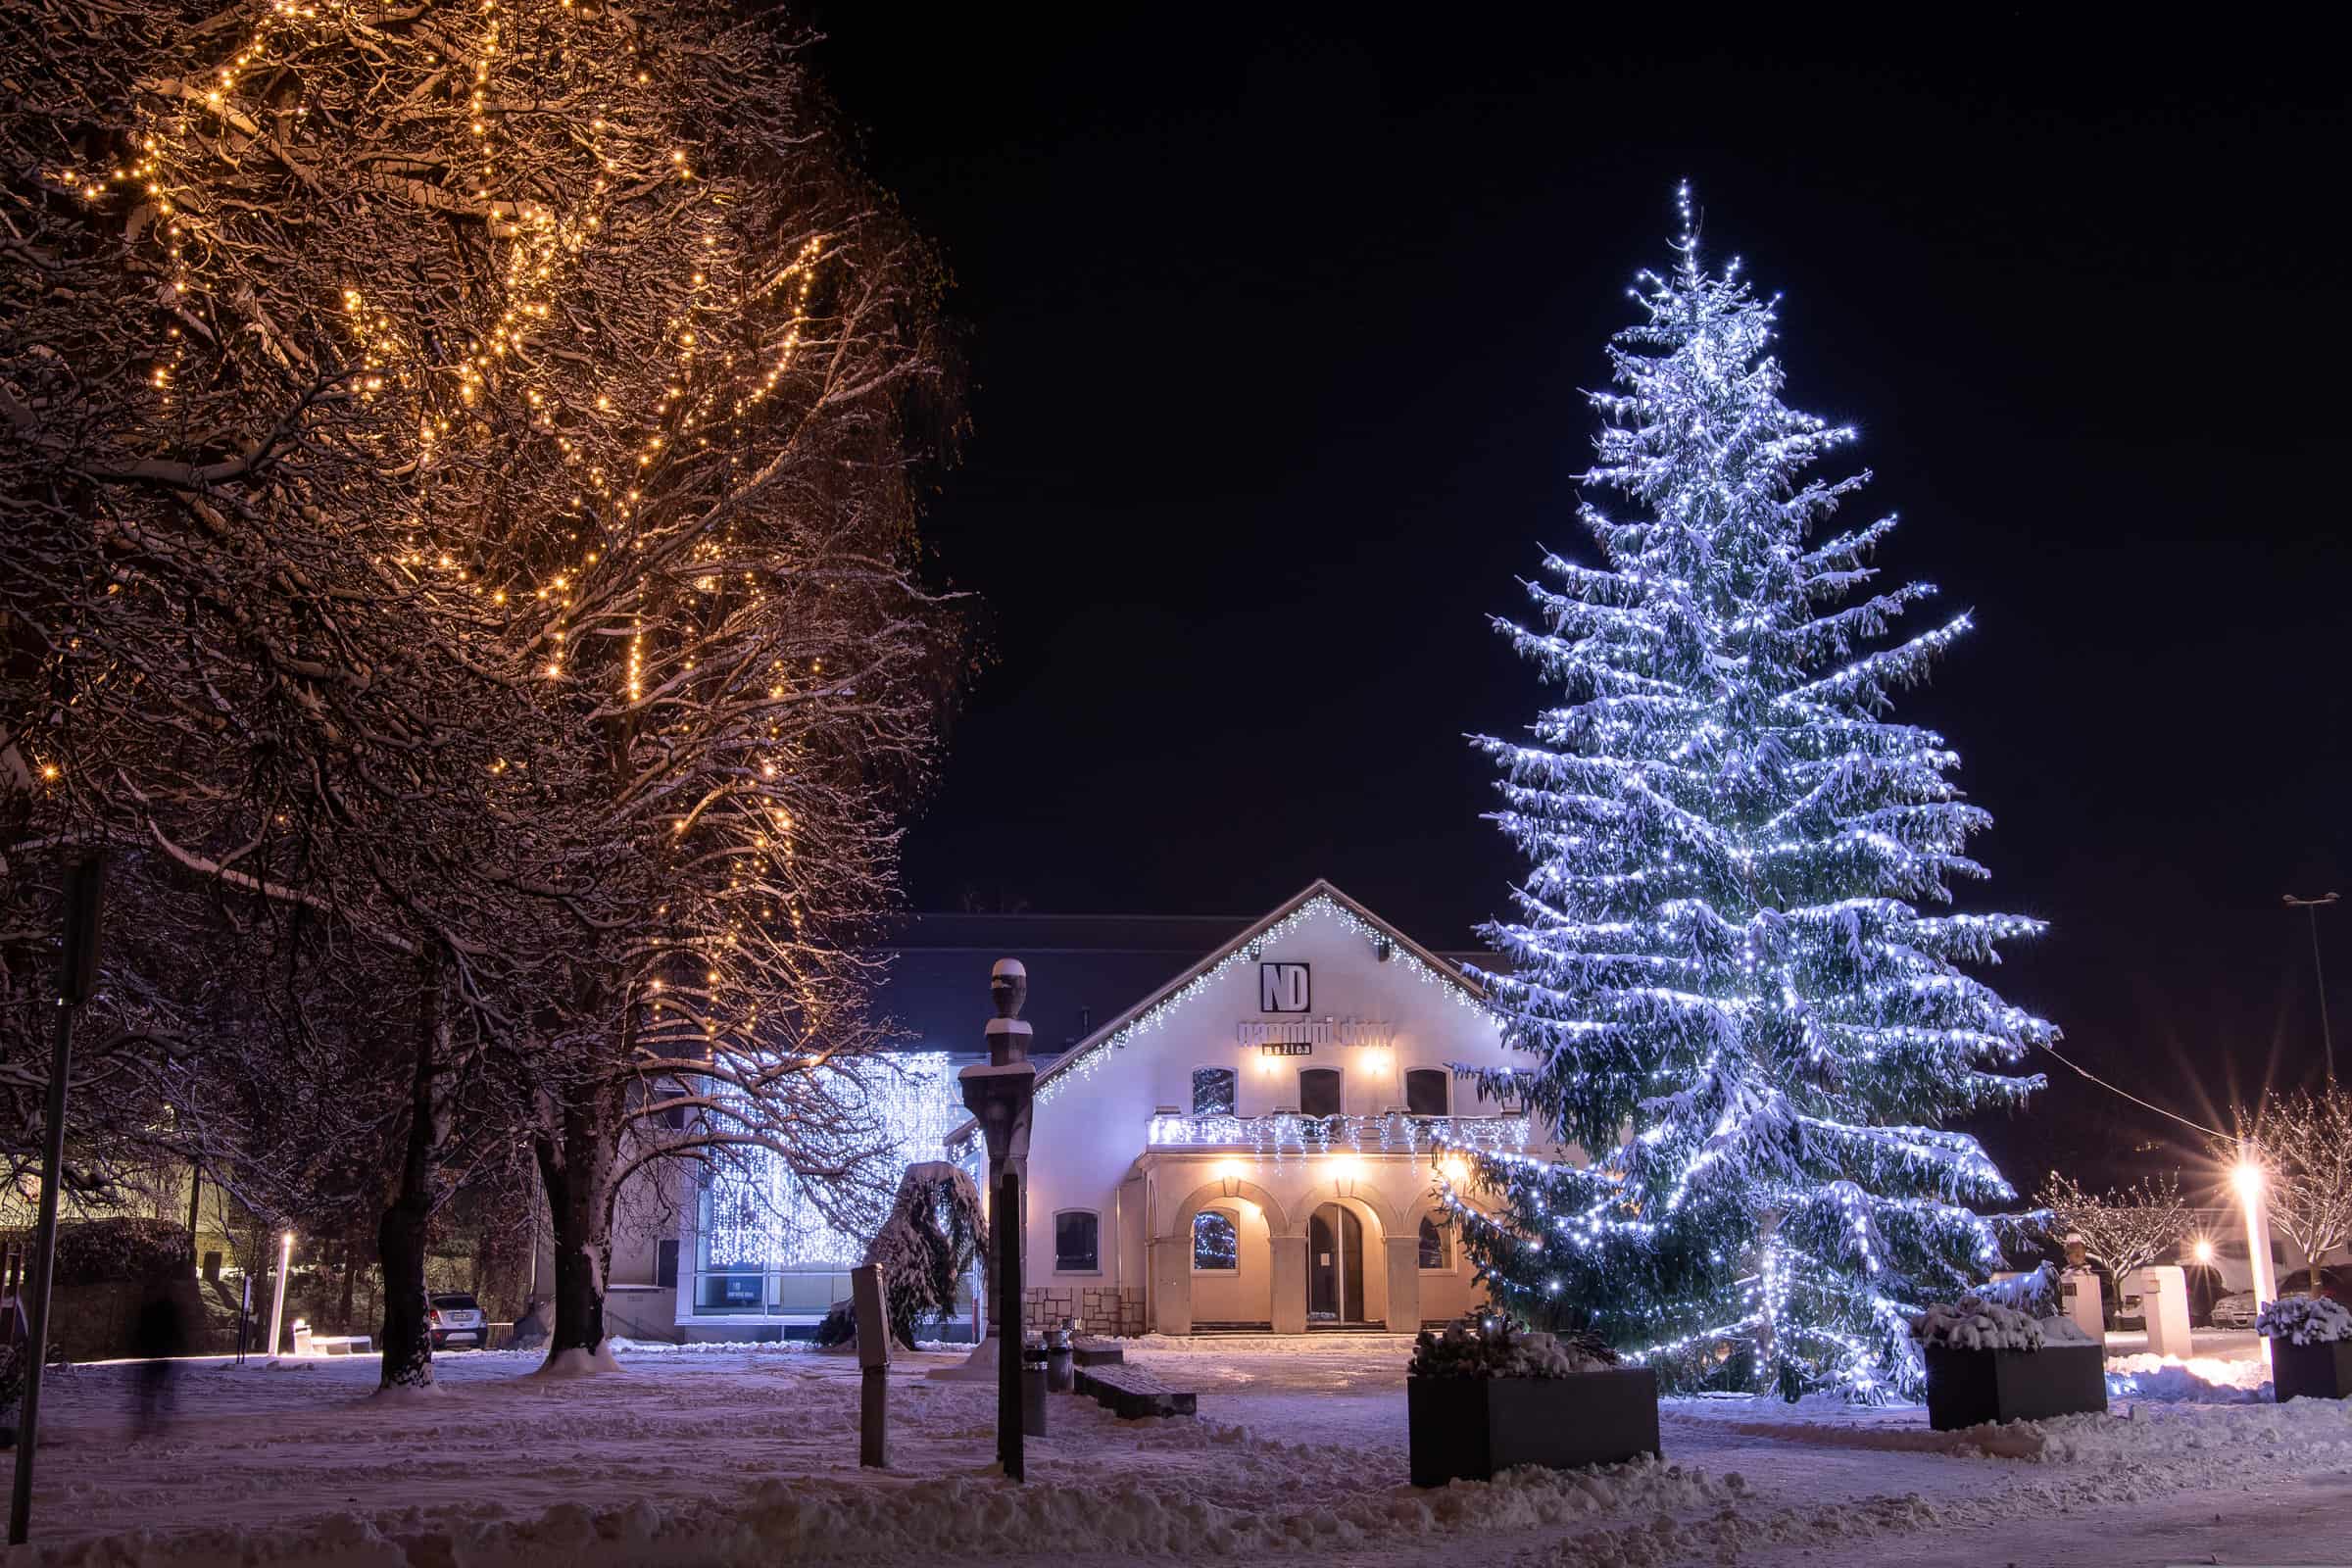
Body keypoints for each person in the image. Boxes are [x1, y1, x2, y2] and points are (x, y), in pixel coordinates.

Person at [129, 1282, 188, 1440]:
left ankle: (147, 1425)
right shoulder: (168, 1309)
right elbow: (177, 1333)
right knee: (161, 1391)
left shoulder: (149, 1309)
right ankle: (160, 1425)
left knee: (149, 1392)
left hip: (153, 1356)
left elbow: (140, 1332)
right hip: (162, 1356)